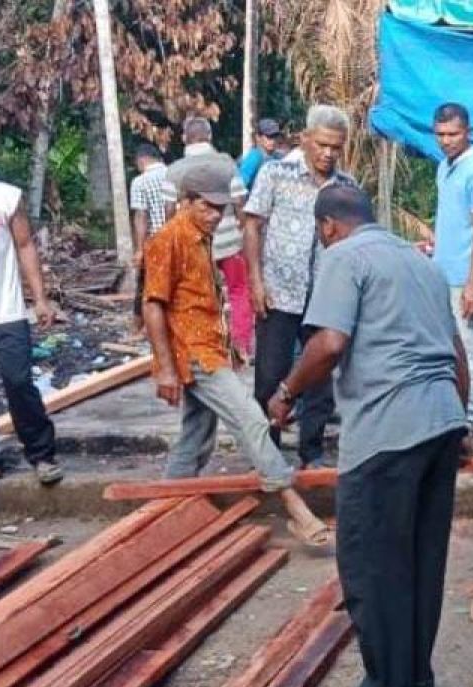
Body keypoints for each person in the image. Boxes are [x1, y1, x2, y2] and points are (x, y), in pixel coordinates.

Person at [266, 185, 470, 687]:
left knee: (369, 563)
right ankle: (414, 677)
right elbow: (456, 352)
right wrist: (463, 421)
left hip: (387, 429)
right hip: (441, 420)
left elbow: (330, 343)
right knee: (420, 558)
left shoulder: (342, 257)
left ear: (328, 225)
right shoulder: (419, 263)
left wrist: (285, 392)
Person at [141, 162, 328, 546]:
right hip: (193, 353)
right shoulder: (168, 240)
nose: (215, 215)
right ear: (185, 201)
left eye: (220, 209)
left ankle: (160, 516)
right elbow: (153, 305)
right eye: (207, 207)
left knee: (196, 438)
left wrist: (230, 346)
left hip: (210, 349)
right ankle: (296, 509)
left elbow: (200, 300)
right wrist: (163, 368)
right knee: (252, 421)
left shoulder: (199, 236)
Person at [243, 104, 358, 468]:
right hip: (278, 293)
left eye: (335, 147)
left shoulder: (347, 187)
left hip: (326, 298)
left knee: (320, 379)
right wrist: (256, 282)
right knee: (269, 376)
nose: (327, 153)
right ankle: (268, 453)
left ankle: (312, 452)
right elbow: (252, 225)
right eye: (322, 144)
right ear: (305, 139)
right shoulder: (276, 174)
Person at [0, 133, 63, 493]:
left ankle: (42, 455)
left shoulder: (4, 196)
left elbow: (25, 245)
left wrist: (40, 299)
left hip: (5, 310)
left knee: (18, 383)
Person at [430, 102, 473, 437]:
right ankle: (456, 407)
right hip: (443, 272)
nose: (446, 141)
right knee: (449, 347)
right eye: (440, 134)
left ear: (468, 132)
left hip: (464, 277)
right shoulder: (444, 167)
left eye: (453, 134)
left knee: (472, 347)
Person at [161, 117, 253, 359]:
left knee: (197, 293)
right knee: (238, 290)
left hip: (193, 245)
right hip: (229, 242)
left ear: (184, 138)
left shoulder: (175, 170)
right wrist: (242, 233)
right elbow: (240, 203)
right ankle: (241, 346)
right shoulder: (227, 165)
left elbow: (169, 211)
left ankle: (203, 345)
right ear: (210, 136)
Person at [129, 142, 169, 329]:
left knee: (146, 286)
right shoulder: (174, 175)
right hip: (179, 239)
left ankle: (139, 327)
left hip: (155, 241)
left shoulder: (140, 182)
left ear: (142, 160)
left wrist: (139, 249)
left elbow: (141, 215)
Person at [238, 118, 283, 191]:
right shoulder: (254, 157)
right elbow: (237, 187)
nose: (273, 140)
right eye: (269, 136)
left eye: (275, 136)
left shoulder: (279, 157)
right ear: (258, 137)